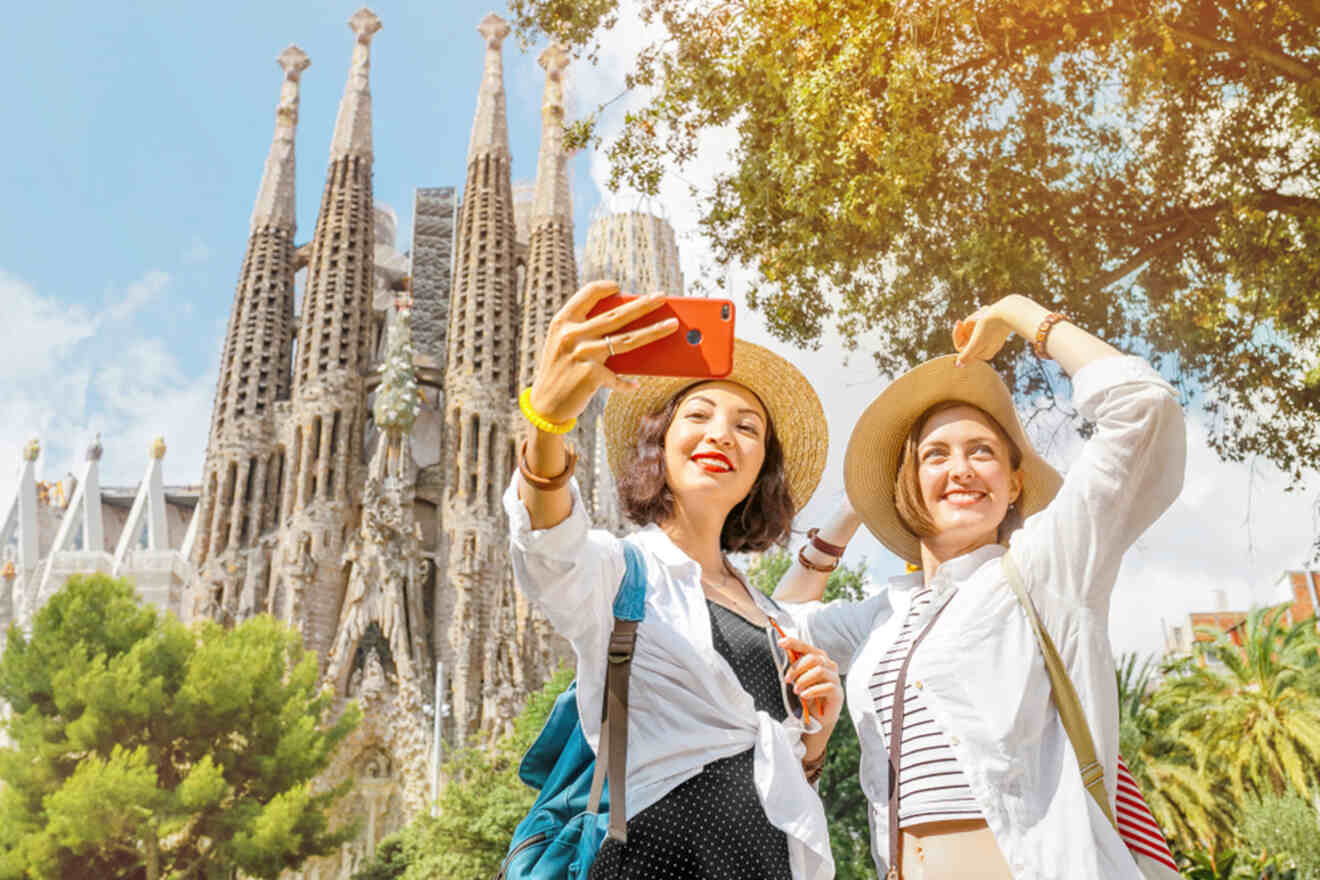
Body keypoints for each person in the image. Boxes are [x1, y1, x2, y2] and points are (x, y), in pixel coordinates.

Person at [774, 294, 1186, 879]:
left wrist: (1023, 315)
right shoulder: (884, 616)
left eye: (983, 453)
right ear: (908, 486)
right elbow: (779, 623)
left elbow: (1144, 410)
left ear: (1015, 484)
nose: (960, 469)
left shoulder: (1047, 568)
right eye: (934, 456)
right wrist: (852, 510)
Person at [505, 280, 843, 880]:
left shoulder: (776, 618)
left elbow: (784, 784)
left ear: (761, 467)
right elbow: (549, 548)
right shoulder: (620, 573)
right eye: (699, 414)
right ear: (660, 444)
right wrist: (548, 422)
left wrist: (816, 736)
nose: (721, 434)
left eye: (747, 427)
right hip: (650, 861)